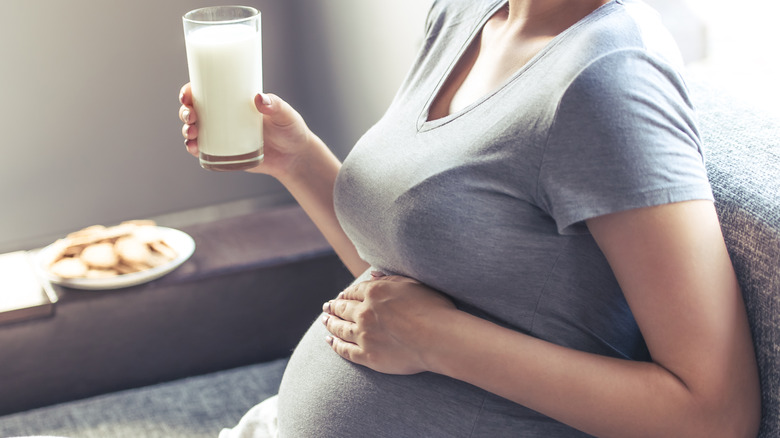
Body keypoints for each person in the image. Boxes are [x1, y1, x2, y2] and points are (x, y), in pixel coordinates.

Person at [179, 0, 762, 436]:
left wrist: (439, 342)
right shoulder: (465, 13)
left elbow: (715, 414)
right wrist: (297, 159)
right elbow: (414, 278)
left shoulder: (608, 77)